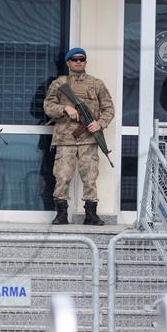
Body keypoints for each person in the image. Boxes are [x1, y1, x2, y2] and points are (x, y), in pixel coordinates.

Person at [43, 48, 114, 225]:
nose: (78, 62)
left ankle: (91, 214)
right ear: (68, 62)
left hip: (89, 139)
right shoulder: (59, 84)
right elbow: (48, 106)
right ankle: (61, 214)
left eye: (82, 59)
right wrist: (64, 109)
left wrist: (100, 123)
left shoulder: (96, 84)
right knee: (62, 176)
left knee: (90, 177)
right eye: (74, 59)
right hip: (65, 139)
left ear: (85, 62)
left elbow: (109, 109)